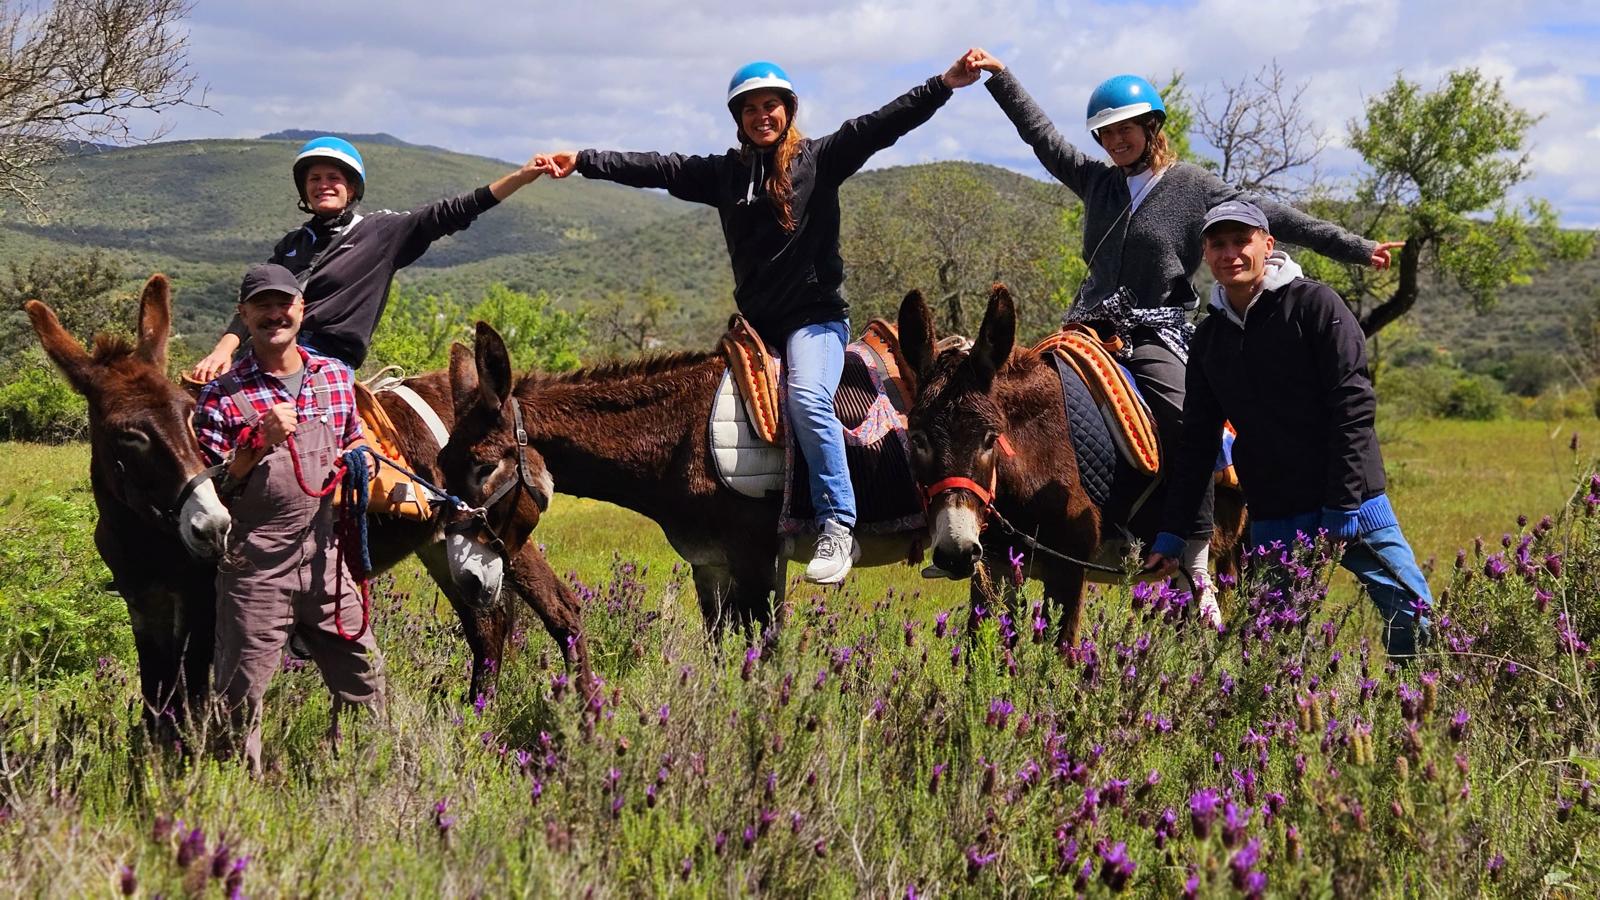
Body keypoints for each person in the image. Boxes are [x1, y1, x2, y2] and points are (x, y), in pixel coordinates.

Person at [961, 49, 1402, 607]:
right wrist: (1000, 78)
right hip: (1085, 327)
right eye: (1105, 133)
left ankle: (1195, 555)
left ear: (1152, 126)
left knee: (1184, 421)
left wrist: (1356, 247)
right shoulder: (1096, 182)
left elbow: (1275, 216)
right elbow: (1041, 138)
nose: (1115, 141)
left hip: (1155, 330)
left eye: (1126, 129)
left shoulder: (1192, 186)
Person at [533, 54, 983, 584]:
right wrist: (583, 160)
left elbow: (883, 124)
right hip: (757, 330)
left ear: (788, 110)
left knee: (808, 398)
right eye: (749, 108)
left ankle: (837, 524)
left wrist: (943, 84)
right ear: (738, 118)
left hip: (815, 322)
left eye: (771, 105)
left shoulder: (821, 159)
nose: (761, 115)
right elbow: (657, 167)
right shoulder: (724, 175)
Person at [1145, 201, 1430, 656]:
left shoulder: (1316, 305)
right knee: (1271, 648)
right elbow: (1197, 444)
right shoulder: (1210, 338)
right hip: (1275, 511)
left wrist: (1343, 504)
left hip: (1354, 504)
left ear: (1268, 244)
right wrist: (1174, 532)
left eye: (1242, 241)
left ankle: (1419, 696)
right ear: (1206, 254)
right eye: (1218, 244)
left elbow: (1353, 407)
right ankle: (1295, 706)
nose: (1230, 253)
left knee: (1414, 617)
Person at [194, 264, 384, 775]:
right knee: (241, 693)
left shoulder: (335, 377)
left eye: (284, 303)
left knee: (364, 674)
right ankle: (238, 794)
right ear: (244, 314)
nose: (274, 314)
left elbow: (353, 435)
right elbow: (212, 491)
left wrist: (359, 456)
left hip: (326, 558)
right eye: (262, 305)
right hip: (253, 565)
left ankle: (360, 777)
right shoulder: (220, 395)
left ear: (302, 309)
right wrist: (257, 441)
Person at [190, 136, 548, 379]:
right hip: (267, 350)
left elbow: (451, 212)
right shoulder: (293, 244)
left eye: (333, 177)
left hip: (326, 360)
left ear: (352, 188)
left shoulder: (380, 233)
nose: (323, 184)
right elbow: (255, 303)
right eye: (314, 178)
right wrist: (223, 350)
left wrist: (520, 177)